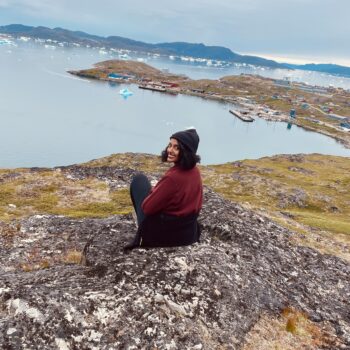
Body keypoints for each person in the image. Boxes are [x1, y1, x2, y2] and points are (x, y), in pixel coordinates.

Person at [125, 128, 203, 250]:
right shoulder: (195, 171)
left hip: (164, 236)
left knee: (139, 181)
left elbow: (147, 208)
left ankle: (142, 232)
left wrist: (155, 191)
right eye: (170, 145)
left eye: (176, 148)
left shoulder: (173, 178)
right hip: (187, 233)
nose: (170, 150)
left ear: (186, 151)